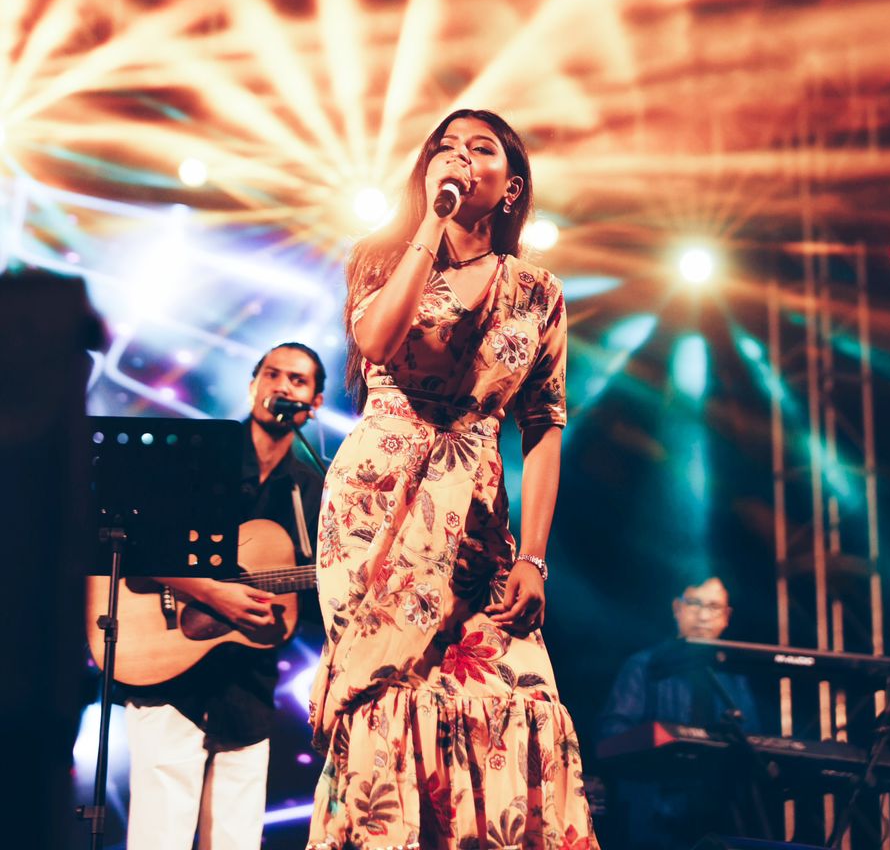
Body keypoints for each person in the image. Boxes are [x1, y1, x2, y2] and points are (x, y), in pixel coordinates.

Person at [306, 109, 599, 850]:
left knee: (513, 687)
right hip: (378, 500)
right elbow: (378, 341)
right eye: (446, 147)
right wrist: (430, 226)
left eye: (480, 148)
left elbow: (544, 426)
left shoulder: (538, 292)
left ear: (511, 186)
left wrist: (534, 558)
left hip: (477, 509)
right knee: (386, 692)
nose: (460, 157)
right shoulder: (382, 258)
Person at [121, 342, 326, 850]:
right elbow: (136, 543)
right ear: (253, 386)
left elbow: (319, 590)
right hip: (168, 677)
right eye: (272, 374)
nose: (282, 386)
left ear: (315, 403)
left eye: (297, 380)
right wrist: (215, 594)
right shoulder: (198, 459)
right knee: (159, 838)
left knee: (236, 839)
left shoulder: (311, 489)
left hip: (247, 687)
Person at [595, 578, 760, 850]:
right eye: (695, 604)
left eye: (713, 607)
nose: (704, 616)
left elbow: (753, 741)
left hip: (718, 820)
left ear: (726, 617)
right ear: (677, 608)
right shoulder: (645, 667)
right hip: (653, 820)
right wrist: (661, 744)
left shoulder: (734, 678)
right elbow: (610, 738)